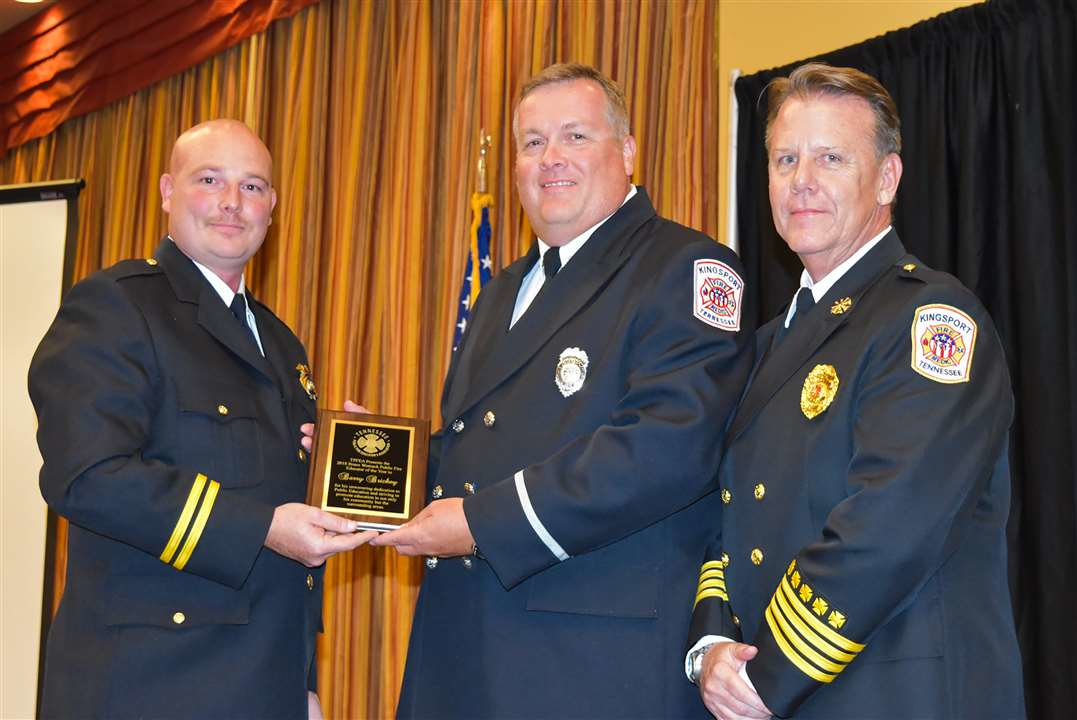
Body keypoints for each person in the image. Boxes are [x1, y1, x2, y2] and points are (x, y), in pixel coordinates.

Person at [367, 63, 753, 719]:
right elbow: (482, 447)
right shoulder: (500, 294)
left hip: (588, 663)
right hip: (470, 648)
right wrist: (376, 460)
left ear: (627, 151)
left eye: (574, 136)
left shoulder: (685, 268)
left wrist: (480, 523)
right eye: (531, 142)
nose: (550, 160)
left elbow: (665, 447)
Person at [684, 63, 1024, 719]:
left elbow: (891, 523)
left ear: (886, 178)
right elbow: (726, 522)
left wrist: (767, 670)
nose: (801, 181)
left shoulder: (928, 320)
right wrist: (713, 641)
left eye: (829, 158)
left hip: (895, 695)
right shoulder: (761, 349)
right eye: (785, 159)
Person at [29, 119, 376, 720]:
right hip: (149, 684)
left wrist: (348, 463)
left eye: (252, 186)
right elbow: (86, 477)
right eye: (209, 179)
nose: (231, 203)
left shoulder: (282, 344)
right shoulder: (117, 305)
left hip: (263, 685)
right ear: (167, 191)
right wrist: (260, 526)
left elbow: (288, 521)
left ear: (271, 207)